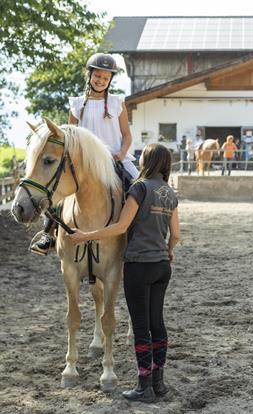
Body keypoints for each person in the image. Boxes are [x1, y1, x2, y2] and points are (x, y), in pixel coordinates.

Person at [69, 143, 180, 403]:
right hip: (162, 266)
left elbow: (120, 227)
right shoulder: (170, 193)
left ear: (147, 162)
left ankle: (143, 386)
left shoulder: (139, 189)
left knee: (141, 328)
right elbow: (176, 234)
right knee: (157, 324)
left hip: (139, 265)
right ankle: (158, 383)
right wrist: (169, 251)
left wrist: (86, 235)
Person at [31, 53, 139, 255]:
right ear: (89, 75)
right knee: (57, 189)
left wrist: (121, 153)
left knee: (139, 188)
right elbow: (68, 138)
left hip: (115, 159)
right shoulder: (77, 104)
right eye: (97, 76)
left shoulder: (117, 103)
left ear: (110, 80)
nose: (101, 81)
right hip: (84, 164)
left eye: (106, 78)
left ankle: (137, 236)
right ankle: (49, 234)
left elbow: (127, 136)